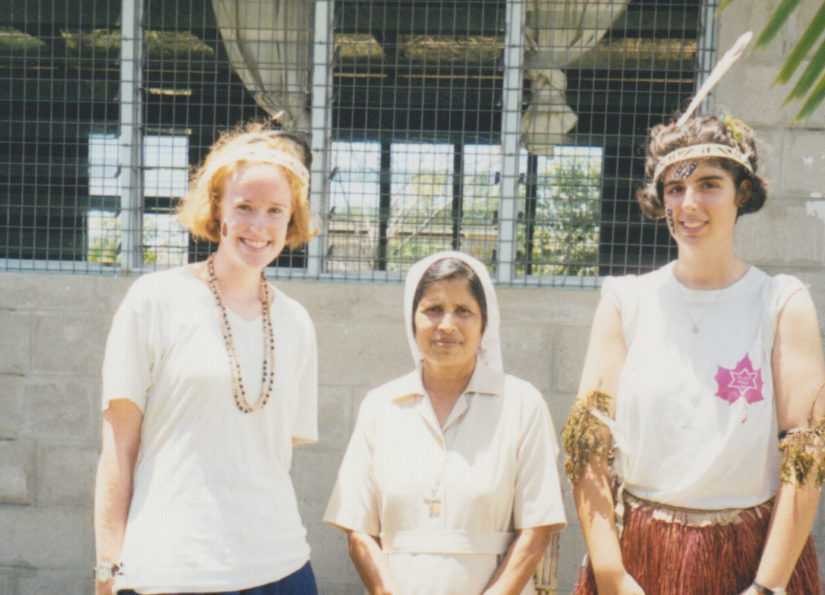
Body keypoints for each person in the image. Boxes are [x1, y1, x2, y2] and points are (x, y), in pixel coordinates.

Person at [565, 115, 825, 595]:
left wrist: (766, 587)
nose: (690, 204)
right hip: (639, 559)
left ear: (742, 192)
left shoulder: (781, 303)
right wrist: (612, 574)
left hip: (751, 561)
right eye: (676, 188)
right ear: (660, 200)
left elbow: (807, 458)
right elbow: (588, 451)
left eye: (709, 185)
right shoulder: (625, 302)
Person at [93, 122, 319, 594]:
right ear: (217, 210)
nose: (259, 226)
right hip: (174, 572)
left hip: (281, 570)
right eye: (245, 207)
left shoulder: (296, 322)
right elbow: (118, 450)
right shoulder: (154, 299)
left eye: (275, 210)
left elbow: (268, 456)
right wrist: (108, 568)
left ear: (291, 218)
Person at [324, 251, 566, 594]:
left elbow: (536, 531)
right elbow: (359, 532)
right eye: (433, 310)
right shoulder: (380, 407)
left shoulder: (522, 405)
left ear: (485, 324)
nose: (447, 325)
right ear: (412, 320)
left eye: (463, 311)